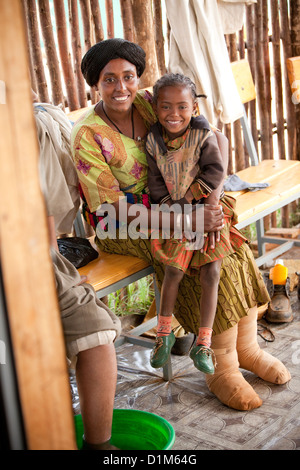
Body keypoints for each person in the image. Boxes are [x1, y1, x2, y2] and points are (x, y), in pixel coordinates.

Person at [71, 38, 291, 411]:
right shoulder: (88, 136)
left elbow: (213, 138)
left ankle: (246, 350)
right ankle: (222, 369)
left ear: (138, 78)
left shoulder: (150, 103)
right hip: (125, 223)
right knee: (196, 252)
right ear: (96, 83)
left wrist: (210, 198)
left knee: (230, 246)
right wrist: (188, 218)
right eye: (109, 79)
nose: (121, 87)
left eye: (128, 76)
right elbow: (111, 211)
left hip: (180, 200)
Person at [34, 97, 121, 450]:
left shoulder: (21, 128)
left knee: (97, 333)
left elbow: (43, 214)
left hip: (33, 252)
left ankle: (98, 444)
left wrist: (59, 267)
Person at [145, 73, 247, 375]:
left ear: (193, 108)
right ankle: (163, 336)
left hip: (209, 208)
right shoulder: (153, 140)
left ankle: (203, 343)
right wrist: (179, 213)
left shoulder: (202, 133)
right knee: (174, 270)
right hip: (179, 214)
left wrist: (193, 200)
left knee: (211, 271)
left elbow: (216, 170)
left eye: (182, 107)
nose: (173, 114)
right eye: (165, 107)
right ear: (155, 108)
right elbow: (156, 186)